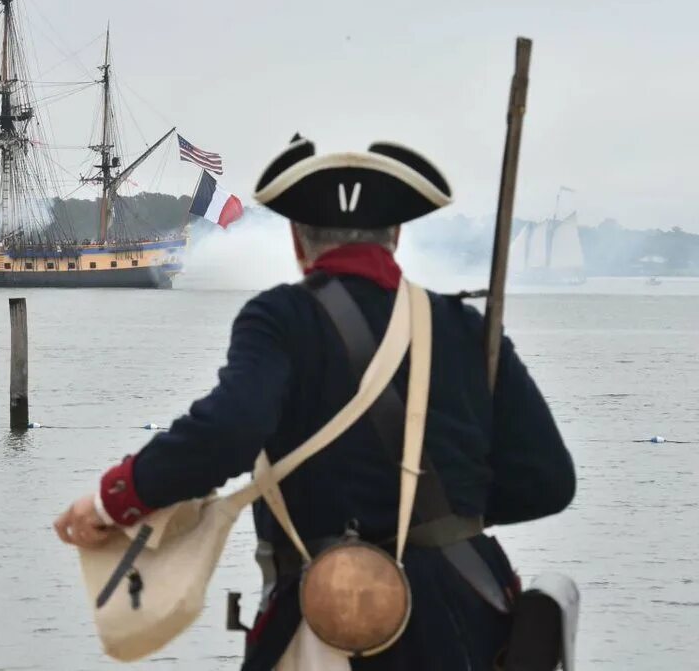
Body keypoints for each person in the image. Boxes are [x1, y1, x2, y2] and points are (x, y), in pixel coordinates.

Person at [54, 135, 576, 670]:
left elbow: (231, 431)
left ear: (298, 242)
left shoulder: (282, 317)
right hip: (467, 618)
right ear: (394, 237)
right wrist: (448, 517)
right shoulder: (467, 328)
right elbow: (549, 483)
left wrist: (111, 500)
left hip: (322, 623)